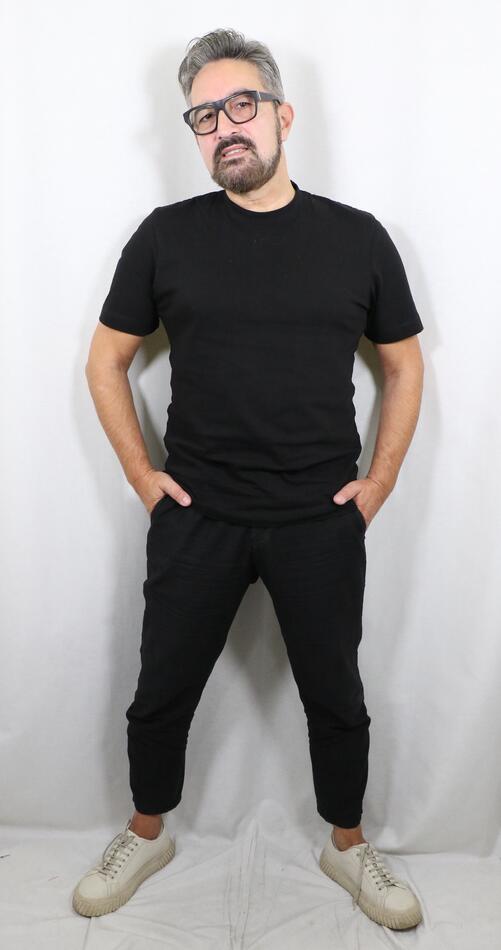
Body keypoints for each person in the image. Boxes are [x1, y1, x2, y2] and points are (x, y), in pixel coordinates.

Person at [73, 27, 424, 931]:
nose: (224, 127)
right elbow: (106, 361)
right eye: (203, 116)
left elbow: (402, 364)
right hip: (198, 512)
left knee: (336, 696)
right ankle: (146, 832)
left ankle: (345, 844)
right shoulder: (165, 237)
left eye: (240, 105)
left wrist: (377, 485)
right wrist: (144, 475)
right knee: (160, 689)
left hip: (318, 515)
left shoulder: (356, 238)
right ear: (193, 134)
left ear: (281, 116)